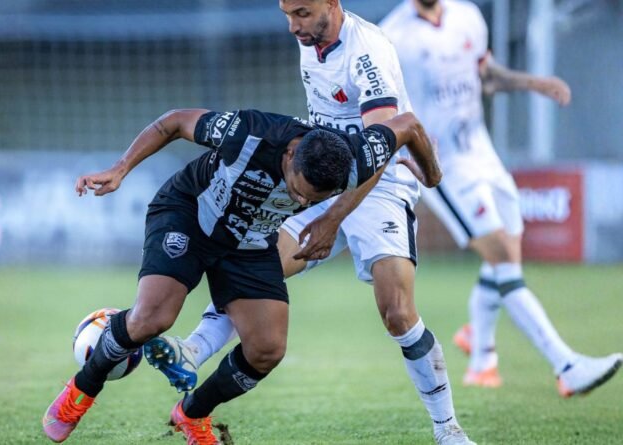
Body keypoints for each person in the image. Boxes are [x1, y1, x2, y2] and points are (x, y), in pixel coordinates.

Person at [142, 1, 477, 444]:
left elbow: (377, 149)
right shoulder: (312, 38)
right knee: (258, 264)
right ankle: (193, 350)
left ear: (332, 4)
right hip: (318, 176)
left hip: (375, 187)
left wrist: (334, 219)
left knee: (397, 312)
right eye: (286, 14)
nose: (292, 26)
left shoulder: (366, 53)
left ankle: (447, 428)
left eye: (301, 13)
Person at [41, 107, 442, 444]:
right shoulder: (251, 132)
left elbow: (408, 125)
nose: (301, 201)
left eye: (313, 200)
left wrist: (433, 176)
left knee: (267, 348)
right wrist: (121, 168)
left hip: (250, 242)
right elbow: (174, 122)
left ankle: (192, 413)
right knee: (152, 319)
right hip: (191, 215)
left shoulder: (353, 157)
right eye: (299, 190)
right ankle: (82, 388)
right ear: (291, 154)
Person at [379, 0, 621, 394]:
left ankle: (481, 358)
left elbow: (485, 77)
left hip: (483, 154)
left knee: (509, 250)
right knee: (504, 261)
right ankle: (567, 364)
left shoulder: (467, 16)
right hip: (442, 167)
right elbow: (383, 111)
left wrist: (535, 83)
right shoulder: (392, 36)